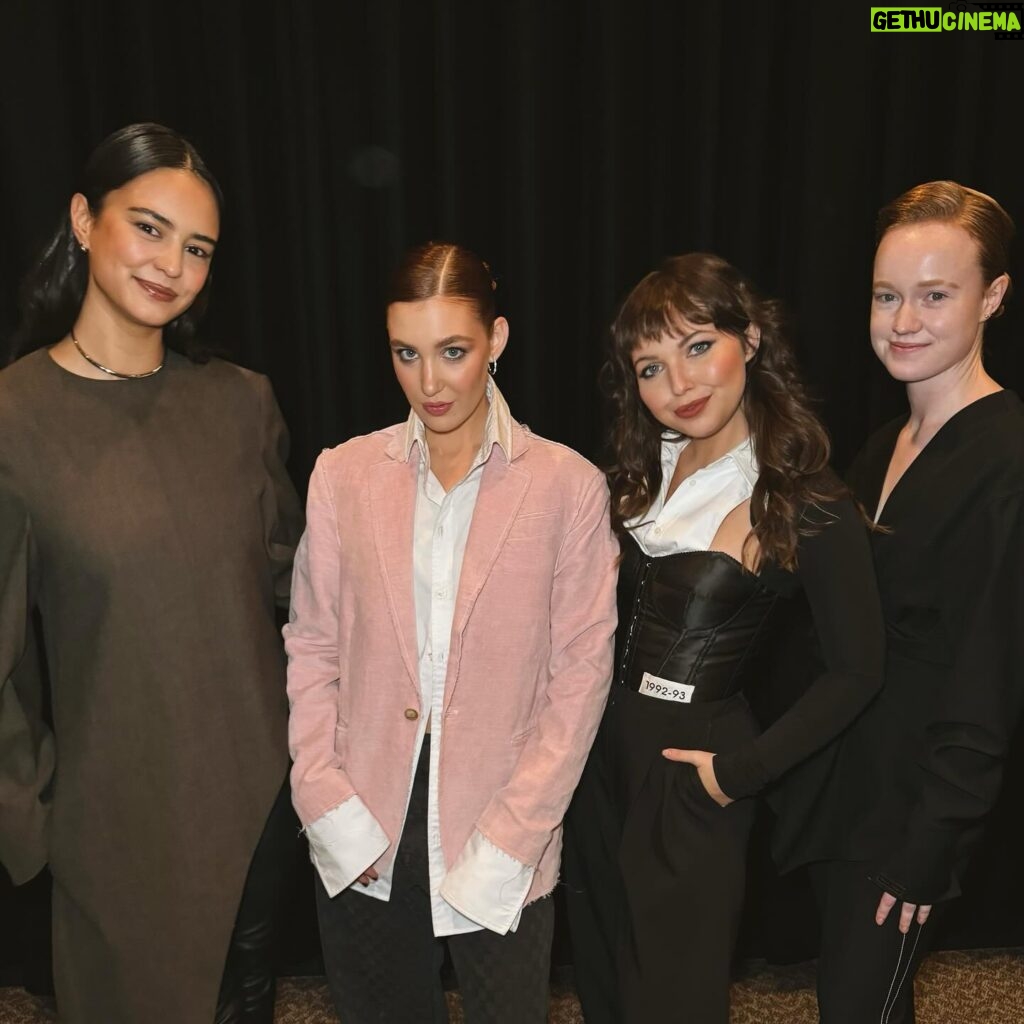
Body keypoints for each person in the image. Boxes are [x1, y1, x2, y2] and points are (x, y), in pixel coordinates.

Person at [0, 123, 303, 1024]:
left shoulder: (242, 404)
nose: (172, 263)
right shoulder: (15, 418)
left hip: (257, 812)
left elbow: (299, 599)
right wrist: (32, 820)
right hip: (113, 830)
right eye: (150, 227)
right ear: (85, 221)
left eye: (198, 246)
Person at [284, 241, 619, 1023]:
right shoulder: (343, 475)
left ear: (497, 340)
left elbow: (578, 679)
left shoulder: (567, 487)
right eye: (406, 353)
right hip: (364, 822)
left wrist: (515, 835)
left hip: (503, 825)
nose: (429, 382)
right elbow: (313, 644)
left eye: (453, 351)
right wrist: (321, 792)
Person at [562, 252, 885, 1023]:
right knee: (604, 984)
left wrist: (740, 773)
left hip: (690, 771)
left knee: (671, 1000)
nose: (678, 385)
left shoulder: (806, 498)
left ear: (752, 339)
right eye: (651, 366)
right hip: (596, 759)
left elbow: (858, 670)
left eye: (698, 346)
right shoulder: (639, 473)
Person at [809, 181, 1024, 1023]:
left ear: (994, 297)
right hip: (853, 803)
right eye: (887, 295)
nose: (904, 321)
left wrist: (931, 846)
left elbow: (989, 676)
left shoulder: (1007, 462)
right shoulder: (880, 449)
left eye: (937, 295)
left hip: (912, 820)